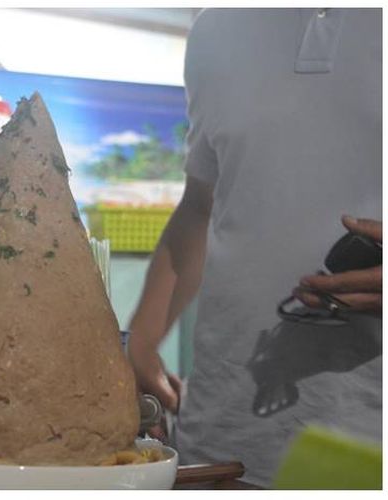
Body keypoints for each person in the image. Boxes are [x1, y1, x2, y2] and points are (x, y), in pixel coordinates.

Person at [128, 8, 381, 487]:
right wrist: (141, 339)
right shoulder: (216, 27)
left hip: (369, 449)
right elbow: (202, 204)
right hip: (218, 445)